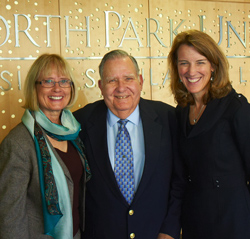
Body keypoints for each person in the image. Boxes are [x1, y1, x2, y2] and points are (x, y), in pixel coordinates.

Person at [73, 49, 184, 239]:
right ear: (100, 86)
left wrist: (170, 229)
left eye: (128, 78)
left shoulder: (169, 118)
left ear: (140, 81)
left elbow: (180, 180)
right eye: (112, 80)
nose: (121, 87)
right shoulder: (79, 123)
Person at [168, 29, 250, 239]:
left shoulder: (236, 108)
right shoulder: (181, 112)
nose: (191, 70)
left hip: (233, 223)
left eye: (200, 62)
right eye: (184, 63)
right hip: (194, 222)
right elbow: (180, 178)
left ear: (213, 65)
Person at [0, 53, 91, 239]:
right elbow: (9, 215)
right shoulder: (18, 143)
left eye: (64, 81)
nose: (57, 88)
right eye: (48, 81)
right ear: (34, 87)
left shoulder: (73, 131)